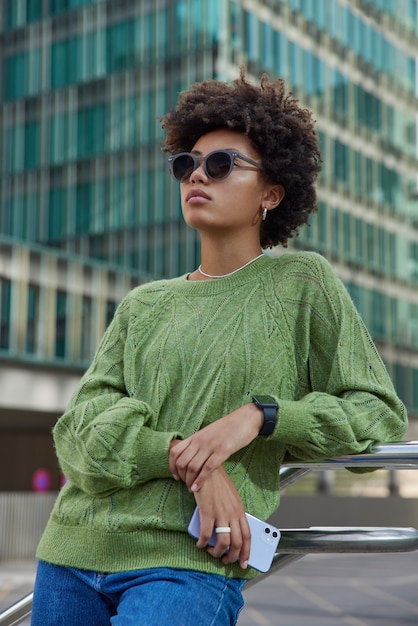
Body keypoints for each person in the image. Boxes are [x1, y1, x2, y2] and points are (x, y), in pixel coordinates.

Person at [31, 70, 407, 625]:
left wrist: (263, 416)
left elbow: (378, 414)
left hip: (189, 562)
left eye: (221, 164)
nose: (196, 175)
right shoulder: (143, 304)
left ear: (272, 193)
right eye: (186, 164)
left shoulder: (303, 284)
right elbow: (80, 433)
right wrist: (197, 465)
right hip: (70, 553)